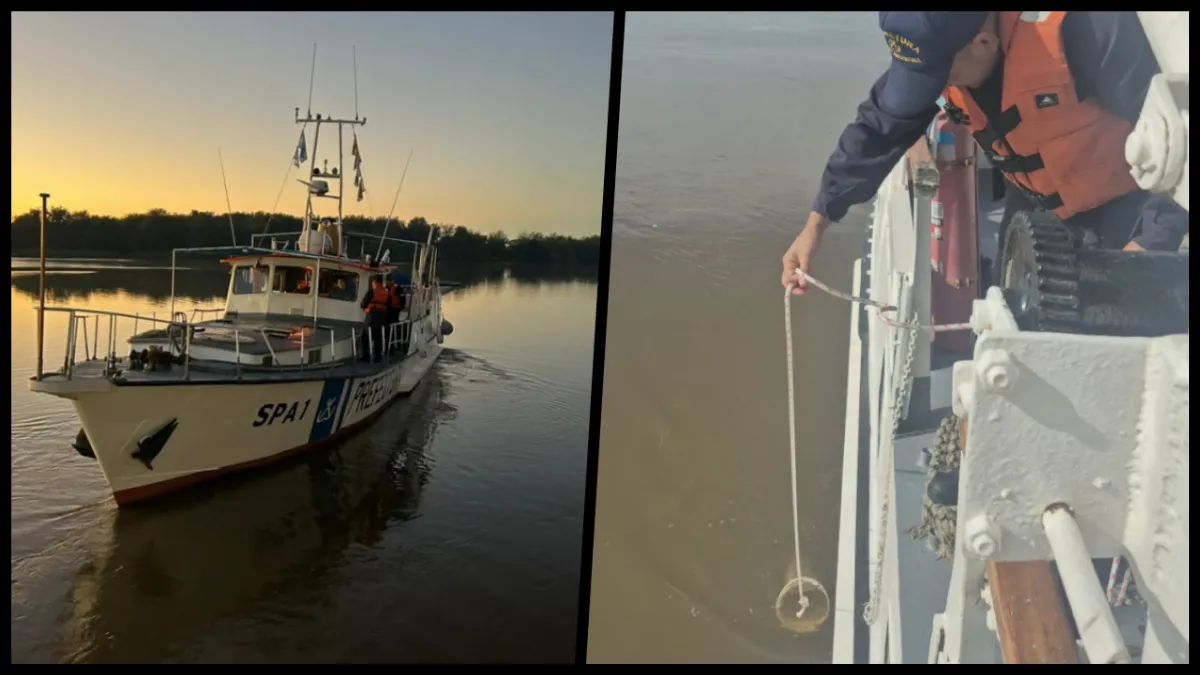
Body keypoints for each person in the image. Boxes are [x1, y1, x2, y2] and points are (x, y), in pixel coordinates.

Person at [783, 11, 1190, 295]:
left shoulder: (1086, 31)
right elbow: (878, 130)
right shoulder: (938, 48)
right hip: (1035, 207)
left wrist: (1150, 243)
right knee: (1017, 323)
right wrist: (817, 223)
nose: (932, 89)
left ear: (983, 42)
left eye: (940, 76)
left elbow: (1183, 133)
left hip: (1128, 205)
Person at [358, 276, 390, 362]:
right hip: (381, 317)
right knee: (378, 337)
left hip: (371, 316)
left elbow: (363, 304)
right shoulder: (386, 292)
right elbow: (389, 305)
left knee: (365, 336)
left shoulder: (372, 291)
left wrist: (366, 309)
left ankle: (366, 356)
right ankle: (377, 357)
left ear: (375, 282)